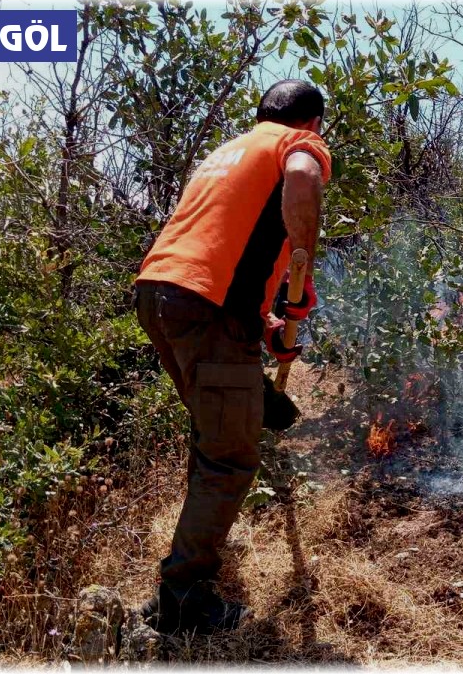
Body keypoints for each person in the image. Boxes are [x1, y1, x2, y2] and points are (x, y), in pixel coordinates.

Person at [132, 80, 330, 634]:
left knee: (215, 432)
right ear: (311, 122)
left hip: (162, 294)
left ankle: (185, 577)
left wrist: (268, 321)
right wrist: (302, 272)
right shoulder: (298, 144)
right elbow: (303, 179)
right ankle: (182, 598)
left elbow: (222, 248)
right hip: (205, 307)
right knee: (230, 456)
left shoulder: (228, 152)